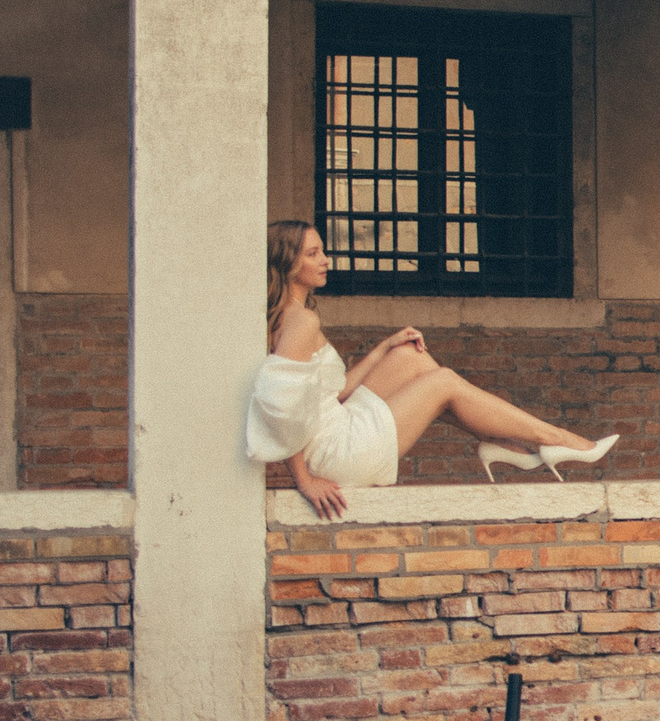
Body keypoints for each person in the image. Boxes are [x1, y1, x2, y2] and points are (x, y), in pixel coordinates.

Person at [249, 220, 617, 518]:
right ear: (288, 263)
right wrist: (304, 480)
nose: (326, 259)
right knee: (442, 382)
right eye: (313, 254)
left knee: (411, 356)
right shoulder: (301, 322)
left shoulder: (288, 318)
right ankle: (557, 439)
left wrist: (383, 349)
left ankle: (504, 444)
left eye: (323, 251)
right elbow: (283, 409)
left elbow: (336, 391)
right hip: (336, 453)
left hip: (333, 431)